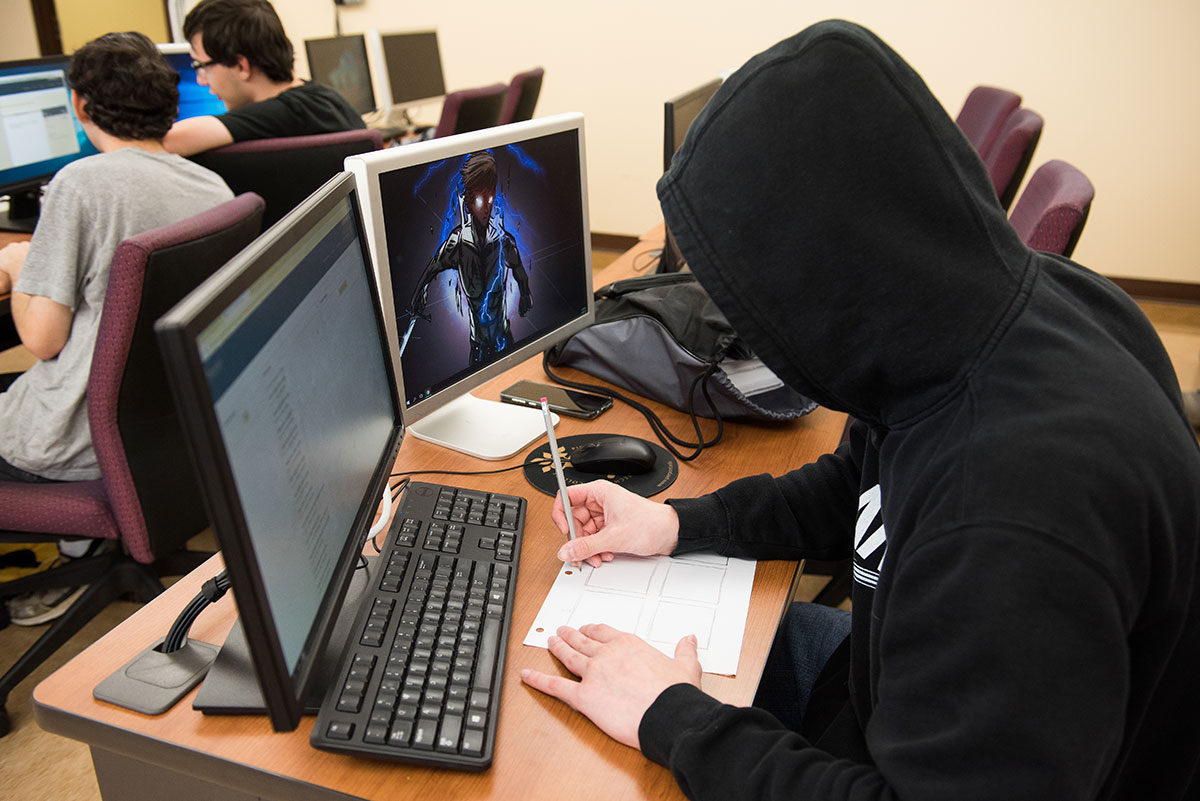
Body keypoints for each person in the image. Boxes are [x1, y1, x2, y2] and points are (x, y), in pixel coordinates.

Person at [519, 20, 1200, 801]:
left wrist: (674, 715)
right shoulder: (989, 311)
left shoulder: (1011, 517)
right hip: (893, 699)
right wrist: (676, 524)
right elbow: (860, 489)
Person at [0, 32, 234, 625]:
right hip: (166, 442)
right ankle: (77, 551)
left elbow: (43, 340)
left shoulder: (82, 183)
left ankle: (64, 557)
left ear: (81, 106)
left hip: (66, 444)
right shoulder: (212, 187)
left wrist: (21, 267)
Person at [163, 0, 365, 156]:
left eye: (201, 66)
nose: (201, 80)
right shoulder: (319, 97)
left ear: (241, 66)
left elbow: (167, 142)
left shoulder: (287, 113)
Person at [405, 151, 532, 365]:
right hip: (478, 349)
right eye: (481, 199)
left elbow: (519, 268)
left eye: (490, 198)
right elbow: (431, 269)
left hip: (504, 341)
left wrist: (526, 294)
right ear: (470, 200)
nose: (487, 207)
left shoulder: (503, 241)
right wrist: (419, 294)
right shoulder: (458, 244)